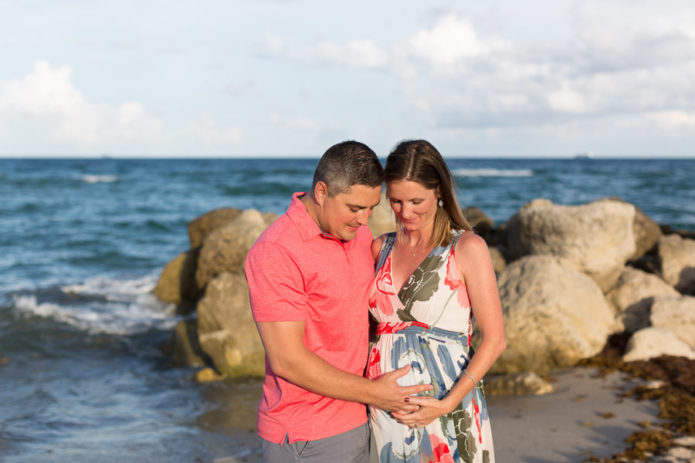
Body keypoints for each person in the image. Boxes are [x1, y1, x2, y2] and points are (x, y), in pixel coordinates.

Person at [244, 140, 432, 463]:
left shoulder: (353, 232)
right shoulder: (277, 251)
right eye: (355, 208)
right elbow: (287, 360)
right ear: (321, 192)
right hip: (306, 434)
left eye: (372, 208)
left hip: (360, 418)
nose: (364, 220)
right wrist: (377, 393)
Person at [367, 140, 506, 462]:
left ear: (440, 190)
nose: (405, 212)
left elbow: (495, 340)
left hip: (448, 402)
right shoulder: (379, 249)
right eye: (396, 201)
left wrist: (447, 404)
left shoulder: (467, 248)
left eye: (416, 201)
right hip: (389, 410)